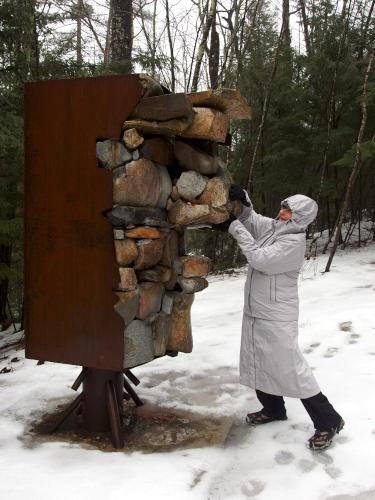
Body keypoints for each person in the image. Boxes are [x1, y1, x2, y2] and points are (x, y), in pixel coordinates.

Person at [215, 185, 344, 450]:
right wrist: (245, 202)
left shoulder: (293, 244)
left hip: (276, 315)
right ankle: (273, 409)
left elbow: (259, 259)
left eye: (288, 211)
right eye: (284, 207)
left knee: (291, 369)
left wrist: (234, 228)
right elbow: (254, 220)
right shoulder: (275, 228)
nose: (281, 212)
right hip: (258, 310)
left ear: (298, 219)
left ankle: (329, 421)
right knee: (259, 360)